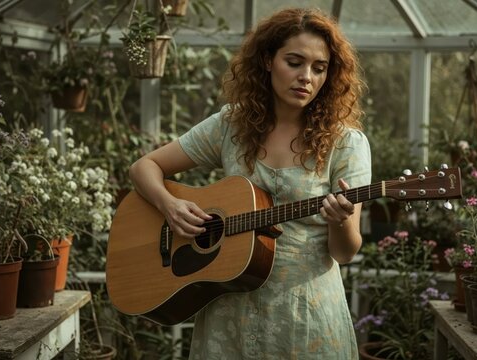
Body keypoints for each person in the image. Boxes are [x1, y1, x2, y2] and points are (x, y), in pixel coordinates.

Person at [128, 7, 371, 359]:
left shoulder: (346, 143)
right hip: (228, 311)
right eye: (294, 62)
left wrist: (340, 221)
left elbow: (345, 252)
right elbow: (144, 167)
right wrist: (171, 206)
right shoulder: (231, 125)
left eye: (319, 68)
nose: (306, 77)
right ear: (268, 60)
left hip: (304, 316)